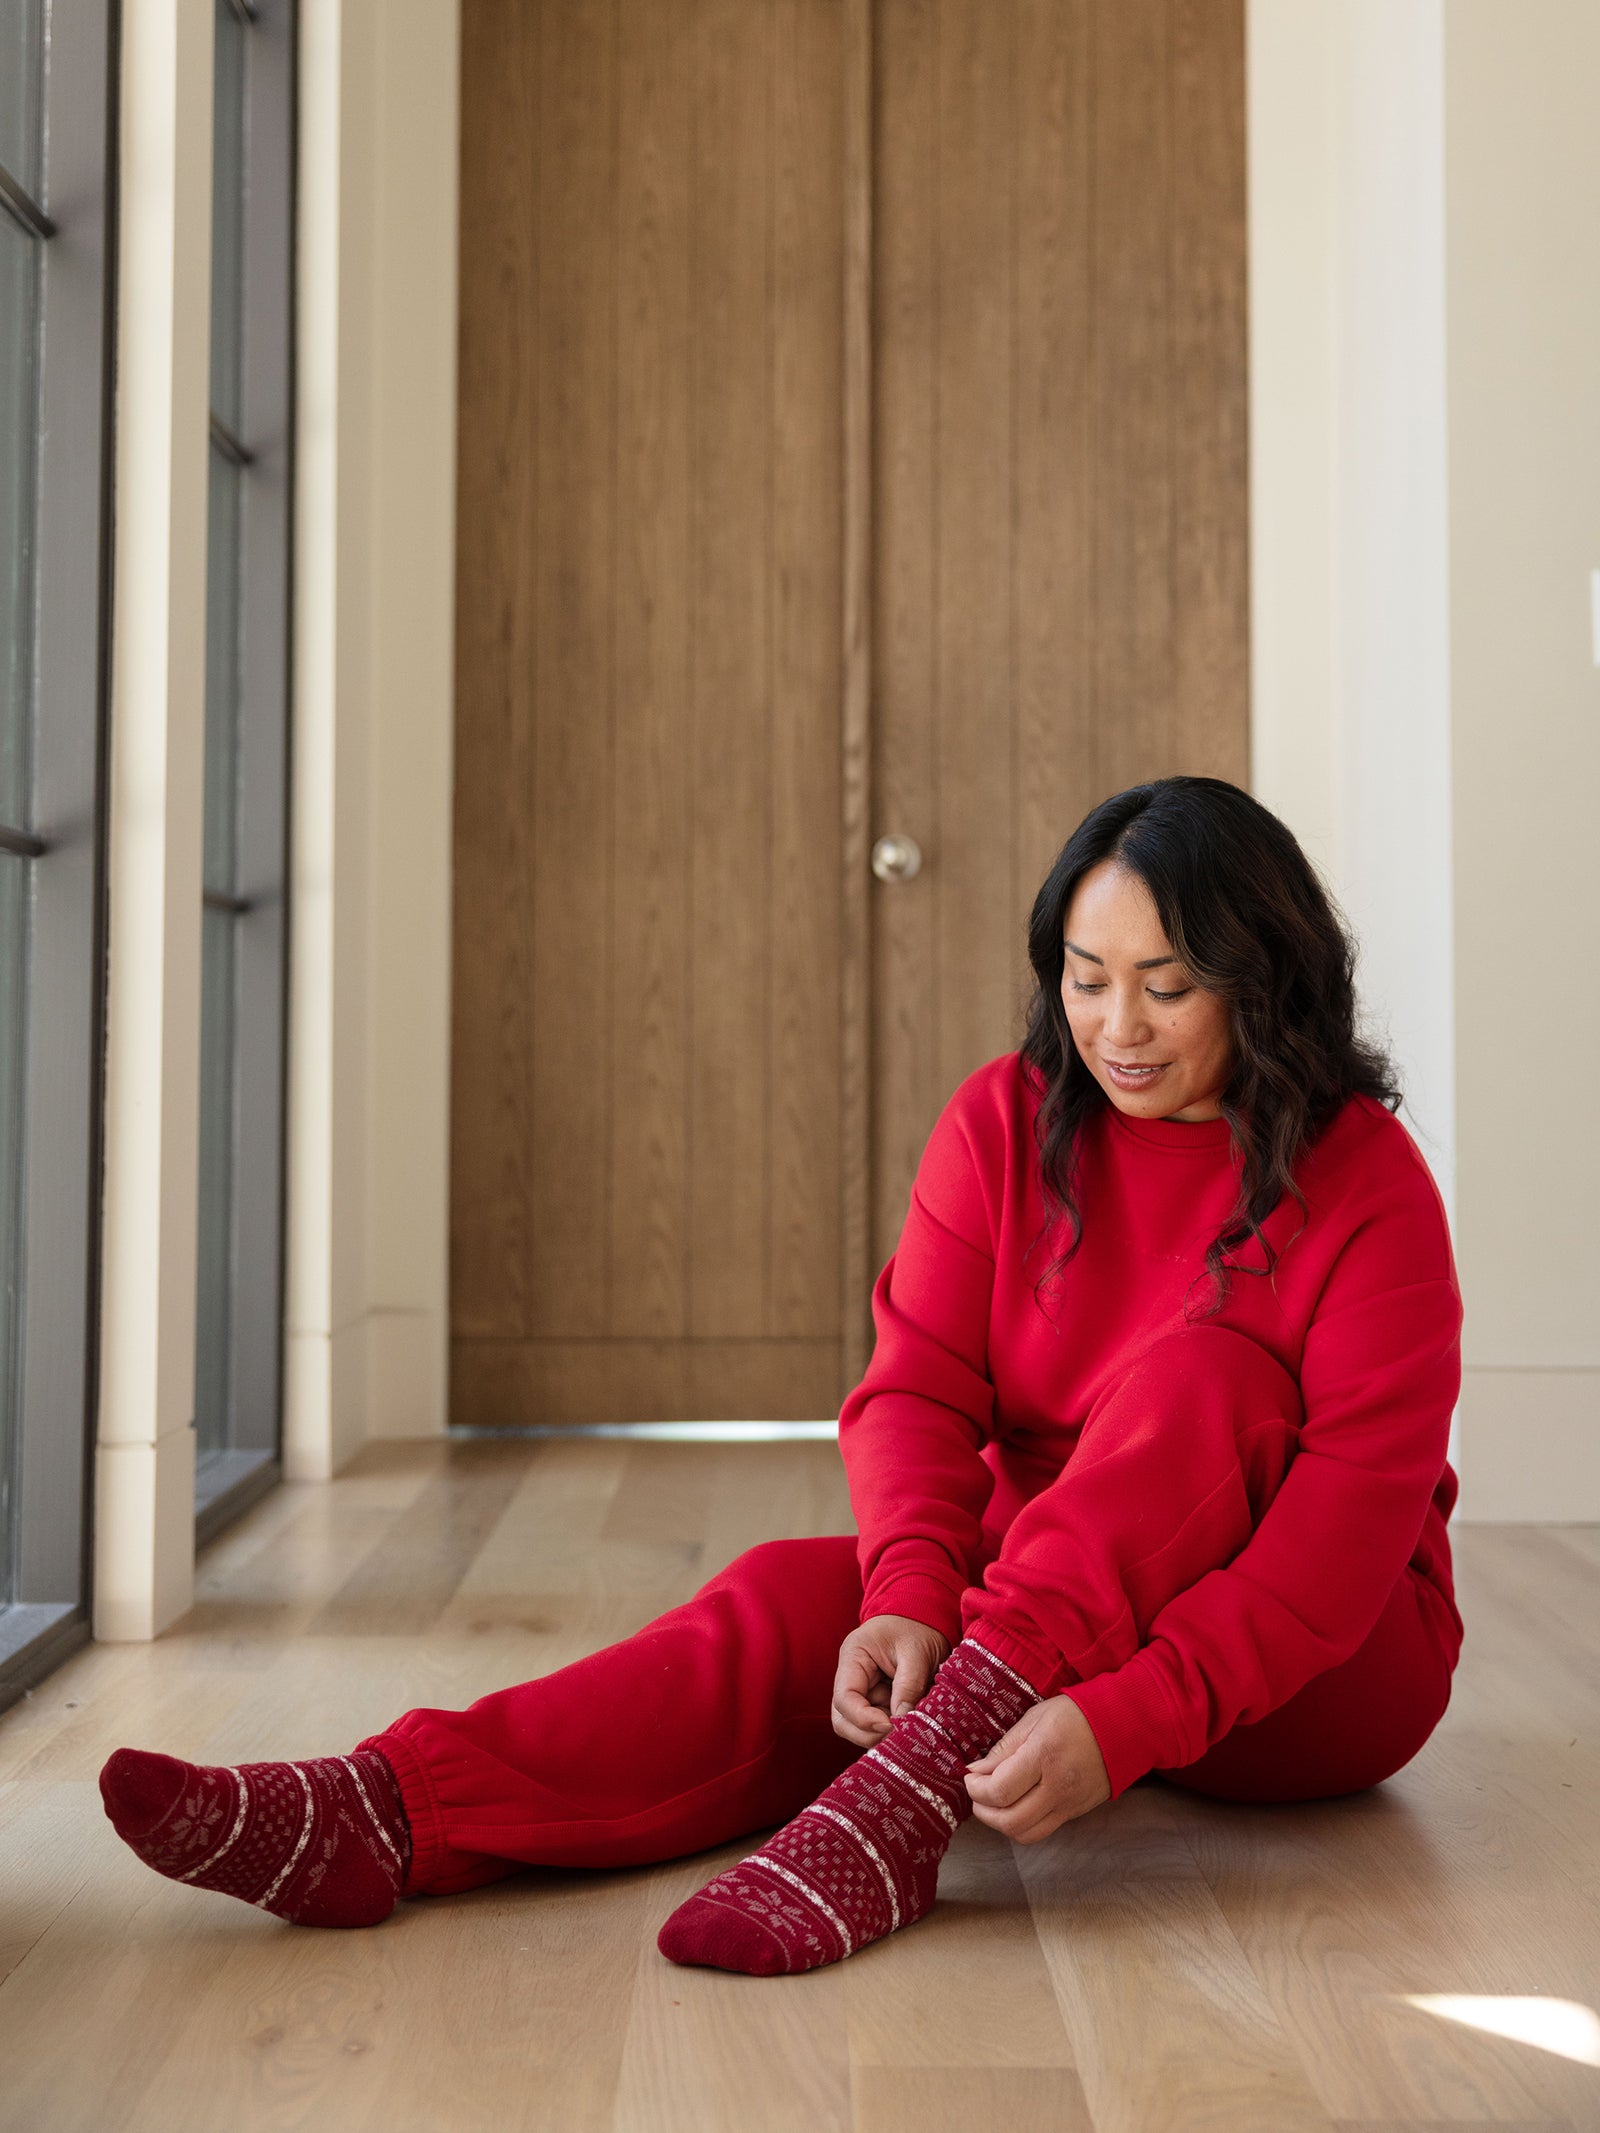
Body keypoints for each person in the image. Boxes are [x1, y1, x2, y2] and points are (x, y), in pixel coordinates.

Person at [99, 776, 1463, 1977]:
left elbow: (1339, 1544)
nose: (1117, 1025)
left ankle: (905, 1799)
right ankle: (388, 1811)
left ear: (1263, 975)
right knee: (789, 1603)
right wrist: (915, 1594)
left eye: (1167, 985)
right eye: (1084, 973)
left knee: (1208, 1381)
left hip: (1311, 1672)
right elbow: (917, 1389)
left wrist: (1131, 1719)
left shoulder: (1367, 1182)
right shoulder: (1004, 1120)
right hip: (1032, 1615)